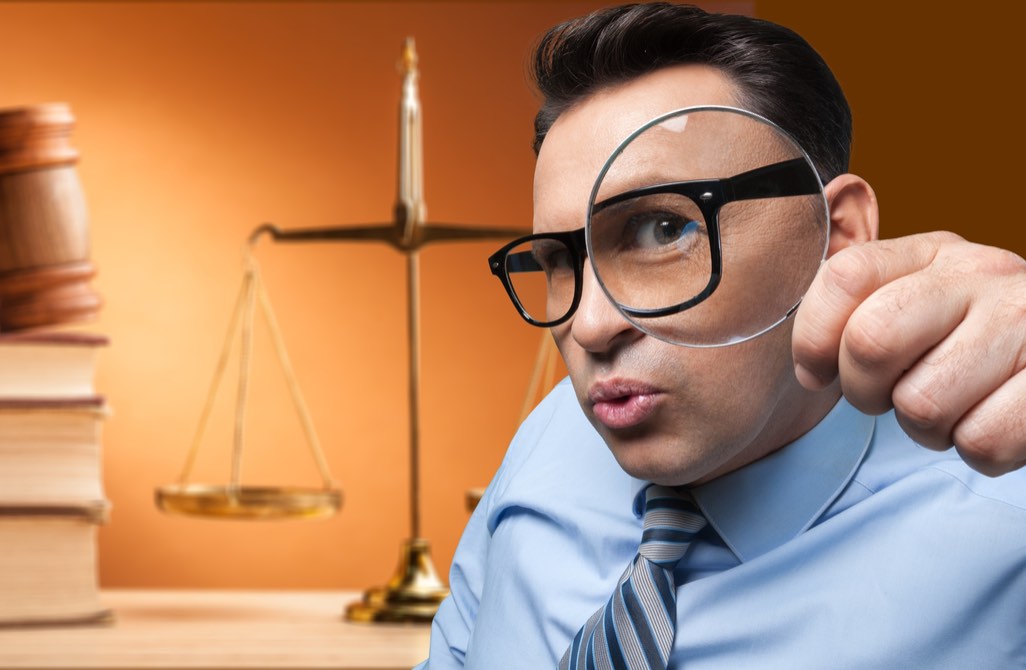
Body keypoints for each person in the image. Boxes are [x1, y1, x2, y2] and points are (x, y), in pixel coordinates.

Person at [418, 3, 1026, 668]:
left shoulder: (1004, 528)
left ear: (838, 238)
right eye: (561, 261)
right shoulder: (547, 442)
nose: (589, 326)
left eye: (661, 230)